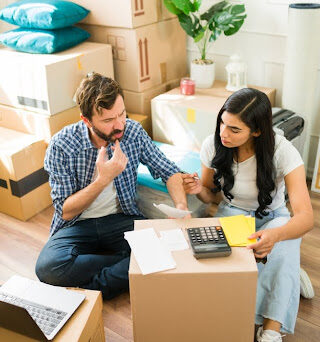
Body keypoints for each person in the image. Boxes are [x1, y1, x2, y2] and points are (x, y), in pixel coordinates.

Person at [36, 73, 189, 299]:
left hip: (121, 219)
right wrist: (103, 179)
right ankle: (131, 266)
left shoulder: (133, 132)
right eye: (108, 121)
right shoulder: (62, 145)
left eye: (122, 114)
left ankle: (97, 286)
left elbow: (170, 172)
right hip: (78, 225)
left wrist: (181, 206)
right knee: (48, 267)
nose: (119, 125)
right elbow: (66, 211)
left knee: (171, 246)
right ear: (86, 120)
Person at [182, 88, 313, 342]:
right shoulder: (213, 144)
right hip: (232, 214)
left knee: (284, 242)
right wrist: (199, 191)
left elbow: (306, 217)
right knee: (229, 273)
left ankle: (271, 331)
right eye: (222, 122)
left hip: (273, 216)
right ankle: (288, 274)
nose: (223, 133)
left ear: (257, 131)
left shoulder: (283, 151)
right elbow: (210, 197)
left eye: (234, 129)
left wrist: (274, 235)